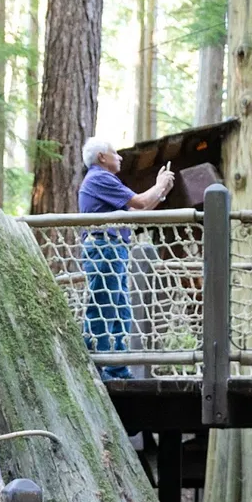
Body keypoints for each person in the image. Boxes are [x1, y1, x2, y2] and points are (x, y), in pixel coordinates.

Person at [78, 137, 175, 380]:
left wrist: (161, 191)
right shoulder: (100, 178)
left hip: (113, 249)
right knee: (104, 306)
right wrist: (159, 184)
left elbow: (135, 212)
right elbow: (140, 201)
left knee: (120, 308)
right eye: (115, 153)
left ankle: (116, 367)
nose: (120, 157)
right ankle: (96, 368)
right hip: (104, 248)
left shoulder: (104, 181)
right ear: (102, 157)